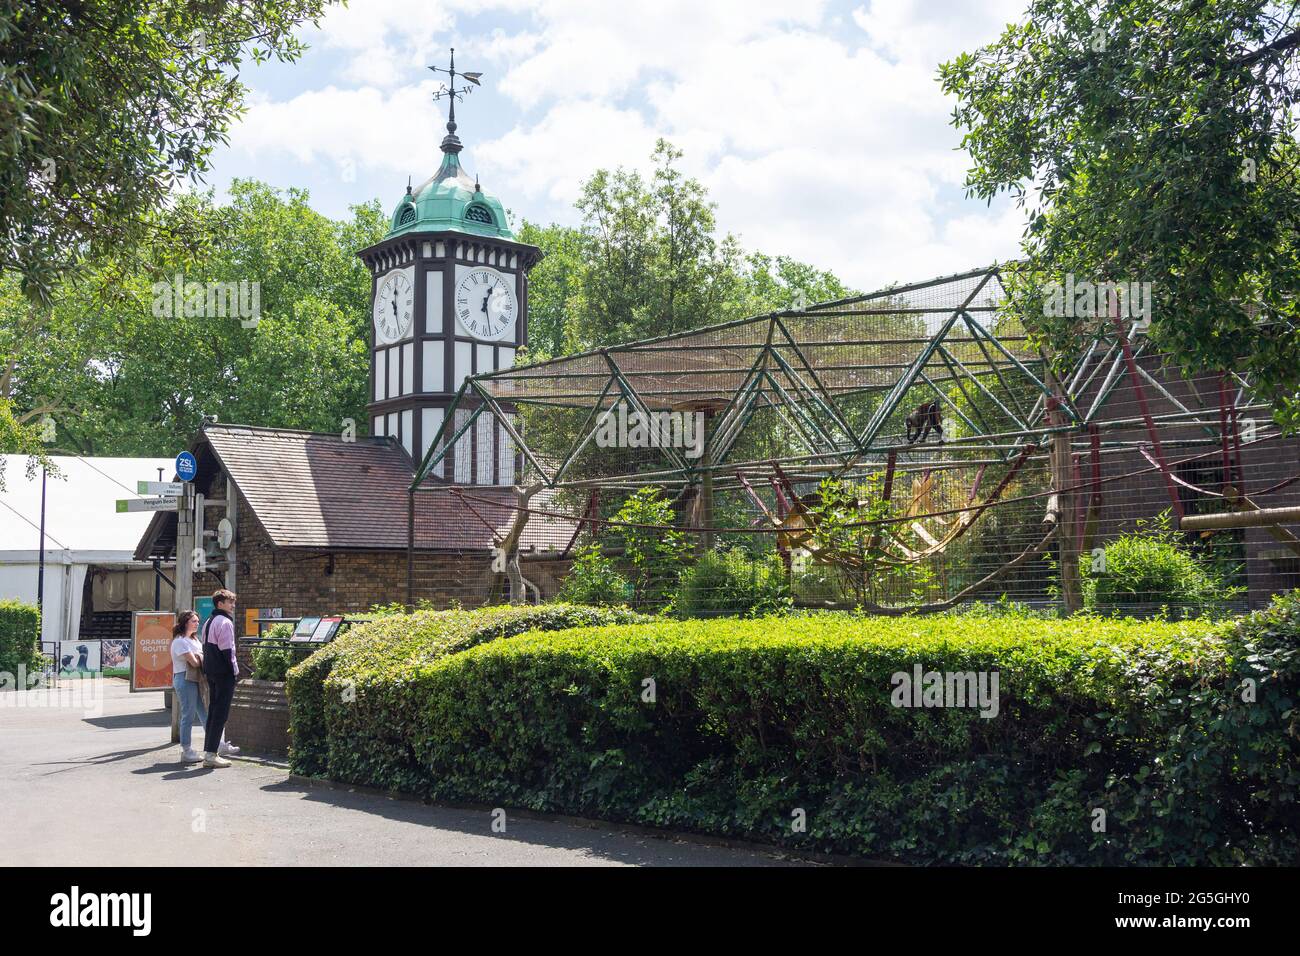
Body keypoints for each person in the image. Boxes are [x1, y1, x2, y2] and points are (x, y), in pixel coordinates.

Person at [201, 589, 243, 769]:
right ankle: (211, 755)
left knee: (213, 711)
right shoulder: (225, 622)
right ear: (220, 604)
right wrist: (235, 671)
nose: (233, 605)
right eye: (229, 602)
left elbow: (205, 647)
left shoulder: (208, 621)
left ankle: (210, 751)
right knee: (221, 713)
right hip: (224, 672)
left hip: (210, 670)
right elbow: (229, 651)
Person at [170, 611, 207, 763]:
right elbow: (195, 662)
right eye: (194, 621)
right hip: (184, 678)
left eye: (198, 621)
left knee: (204, 712)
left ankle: (215, 742)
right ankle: (186, 750)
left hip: (195, 678)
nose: (197, 623)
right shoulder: (180, 641)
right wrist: (204, 657)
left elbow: (198, 658)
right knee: (188, 714)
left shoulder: (195, 640)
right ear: (185, 622)